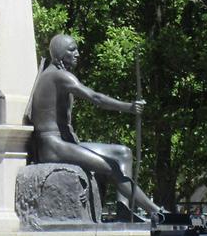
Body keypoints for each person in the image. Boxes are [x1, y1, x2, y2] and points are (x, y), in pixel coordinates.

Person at [29, 34, 165, 219]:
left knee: (123, 153)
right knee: (112, 167)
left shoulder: (60, 74)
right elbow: (95, 98)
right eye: (72, 49)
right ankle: (156, 212)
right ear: (60, 54)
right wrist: (129, 107)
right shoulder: (57, 75)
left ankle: (124, 209)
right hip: (53, 146)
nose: (77, 53)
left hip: (67, 142)